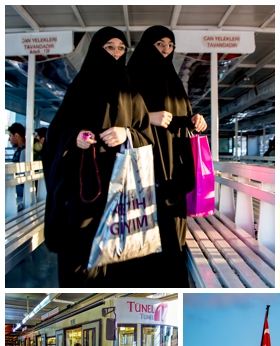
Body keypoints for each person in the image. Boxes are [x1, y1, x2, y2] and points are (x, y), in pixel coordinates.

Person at [42, 28, 153, 286]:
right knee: (81, 254)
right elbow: (56, 135)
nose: (115, 53)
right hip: (85, 185)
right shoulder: (80, 87)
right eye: (109, 47)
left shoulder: (132, 92)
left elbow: (146, 136)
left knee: (120, 258)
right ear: (97, 50)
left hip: (122, 189)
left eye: (121, 48)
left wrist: (126, 134)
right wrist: (76, 139)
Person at [127, 26, 207, 286]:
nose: (165, 49)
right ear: (147, 45)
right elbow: (114, 117)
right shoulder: (131, 76)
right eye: (159, 43)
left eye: (170, 45)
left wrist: (195, 119)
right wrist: (147, 118)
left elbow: (178, 119)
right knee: (149, 229)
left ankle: (174, 283)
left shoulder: (173, 80)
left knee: (174, 232)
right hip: (147, 165)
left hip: (176, 165)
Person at [8, 122, 27, 211]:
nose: (9, 139)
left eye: (10, 135)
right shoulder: (24, 149)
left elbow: (22, 175)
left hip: (22, 187)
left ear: (16, 135)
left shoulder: (24, 151)